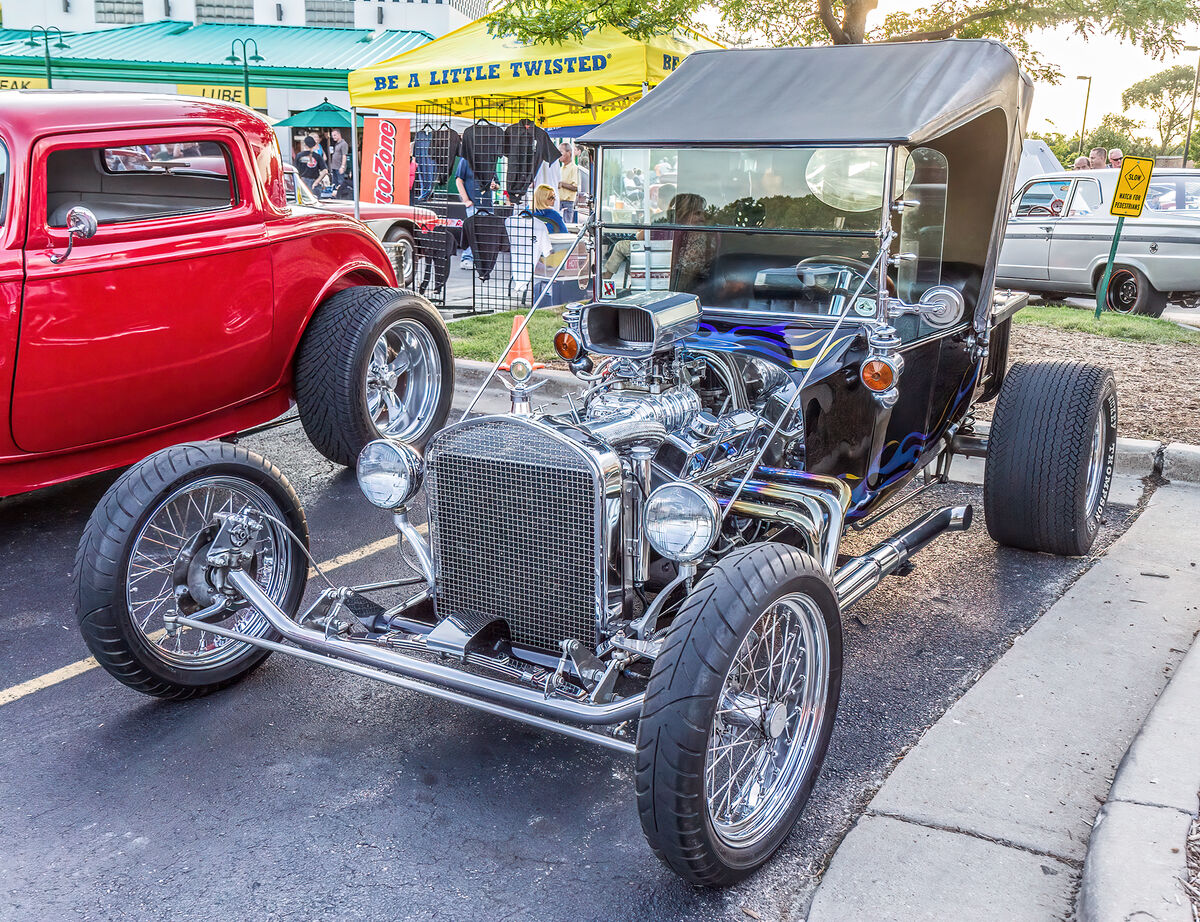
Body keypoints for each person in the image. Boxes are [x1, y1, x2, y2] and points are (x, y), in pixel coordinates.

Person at [454, 156, 498, 270]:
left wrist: (494, 186)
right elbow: (458, 180)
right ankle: (467, 258)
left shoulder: (489, 160)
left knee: (484, 234)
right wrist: (466, 200)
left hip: (487, 205)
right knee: (472, 232)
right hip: (474, 204)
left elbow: (496, 184)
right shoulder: (466, 160)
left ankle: (480, 260)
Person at [557, 143, 579, 223]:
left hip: (567, 203)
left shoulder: (574, 168)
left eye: (561, 152)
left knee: (565, 226)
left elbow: (576, 187)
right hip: (558, 201)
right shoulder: (561, 168)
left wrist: (562, 184)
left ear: (569, 153)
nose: (559, 154)